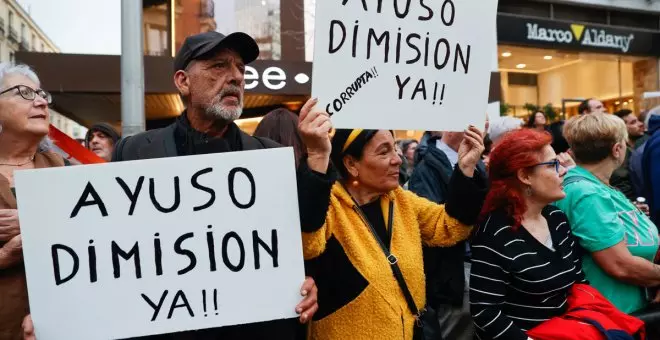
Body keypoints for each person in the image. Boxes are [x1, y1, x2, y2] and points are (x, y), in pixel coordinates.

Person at [111, 31, 318, 339]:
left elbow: (304, 229)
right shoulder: (133, 153)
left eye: (240, 69)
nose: (235, 77)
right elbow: (110, 250)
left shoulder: (271, 156)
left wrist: (301, 281)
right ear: (183, 81)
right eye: (219, 66)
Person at [296, 98, 488, 340]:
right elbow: (308, 244)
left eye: (395, 148)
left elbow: (451, 227)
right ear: (351, 164)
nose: (397, 159)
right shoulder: (330, 207)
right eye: (384, 151)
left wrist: (466, 169)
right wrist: (317, 155)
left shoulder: (402, 201)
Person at [470, 128, 587, 340]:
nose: (563, 170)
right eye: (553, 164)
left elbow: (578, 283)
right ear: (524, 176)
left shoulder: (556, 218)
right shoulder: (494, 233)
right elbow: (485, 313)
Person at [555, 113, 660, 314]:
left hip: (624, 310)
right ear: (617, 149)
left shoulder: (599, 186)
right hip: (608, 315)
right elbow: (620, 265)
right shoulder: (586, 193)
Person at [0, 62, 65, 340]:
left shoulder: (58, 167)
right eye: (24, 93)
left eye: (41, 94)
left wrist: (33, 220)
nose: (40, 101)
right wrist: (4, 256)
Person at [408, 129, 487, 340]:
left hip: (478, 268)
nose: (482, 128)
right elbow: (436, 229)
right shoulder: (426, 169)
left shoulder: (477, 161)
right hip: (454, 278)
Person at [611, 109, 645, 200]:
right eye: (633, 122)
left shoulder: (646, 143)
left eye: (638, 120)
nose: (640, 124)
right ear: (622, 128)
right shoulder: (619, 153)